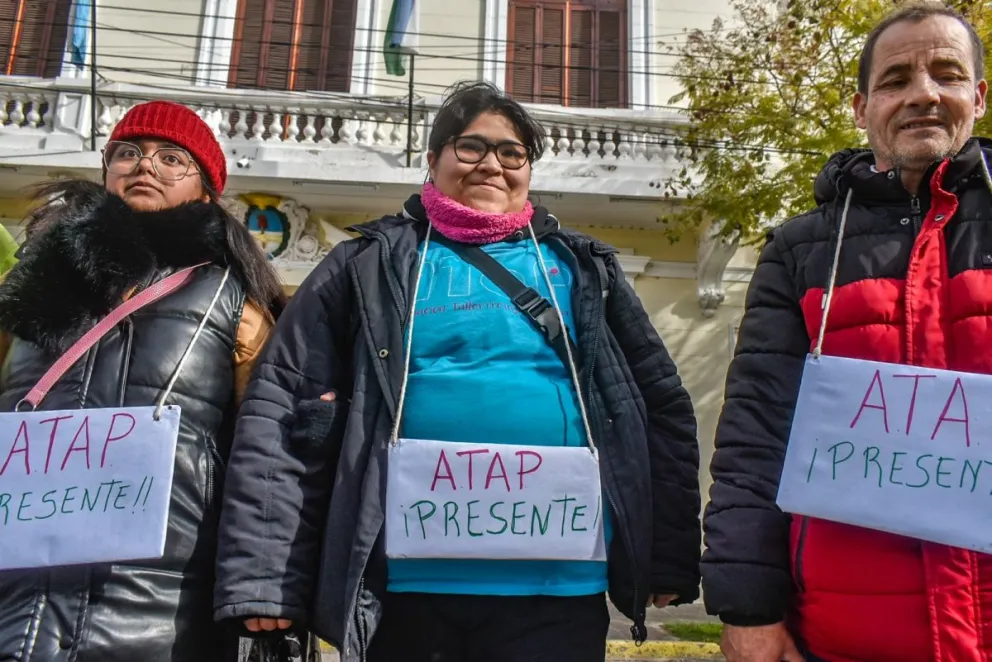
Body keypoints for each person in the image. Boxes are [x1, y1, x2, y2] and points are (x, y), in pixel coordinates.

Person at [214, 80, 702, 662]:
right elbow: (280, 406)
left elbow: (658, 405)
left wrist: (668, 553)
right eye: (471, 147)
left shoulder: (585, 269)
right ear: (433, 158)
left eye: (512, 153)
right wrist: (266, 576)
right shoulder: (362, 265)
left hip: (559, 589)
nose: (491, 164)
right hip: (403, 590)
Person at [701, 4, 990, 662]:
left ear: (977, 97)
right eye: (896, 80)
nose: (922, 94)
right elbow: (755, 440)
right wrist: (748, 609)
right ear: (862, 109)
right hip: (841, 637)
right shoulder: (798, 251)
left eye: (946, 74)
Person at [0, 100, 287, 662]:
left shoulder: (235, 302)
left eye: (171, 158)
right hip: (17, 604)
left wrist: (264, 580)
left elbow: (269, 454)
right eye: (128, 153)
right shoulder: (32, 286)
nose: (145, 165)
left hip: (159, 614)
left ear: (205, 191)